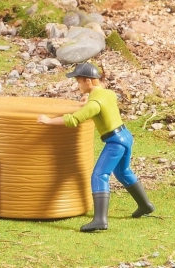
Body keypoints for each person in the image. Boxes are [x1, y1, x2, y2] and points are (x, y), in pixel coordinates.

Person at [37, 62, 155, 232]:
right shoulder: (107, 93)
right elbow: (104, 97)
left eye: (79, 82)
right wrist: (89, 97)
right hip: (126, 136)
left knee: (99, 175)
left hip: (115, 141)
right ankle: (145, 205)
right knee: (123, 172)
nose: (78, 85)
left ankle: (100, 219)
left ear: (88, 81)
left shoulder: (95, 104)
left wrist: (49, 121)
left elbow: (73, 120)